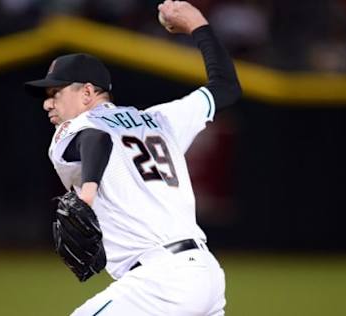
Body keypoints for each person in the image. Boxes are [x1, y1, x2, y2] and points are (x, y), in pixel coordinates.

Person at [24, 0, 241, 315]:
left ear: (87, 93)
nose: (47, 104)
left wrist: (87, 192)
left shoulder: (76, 127)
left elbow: (95, 138)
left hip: (159, 282)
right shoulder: (161, 120)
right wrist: (197, 24)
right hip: (205, 274)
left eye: (55, 93)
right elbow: (226, 86)